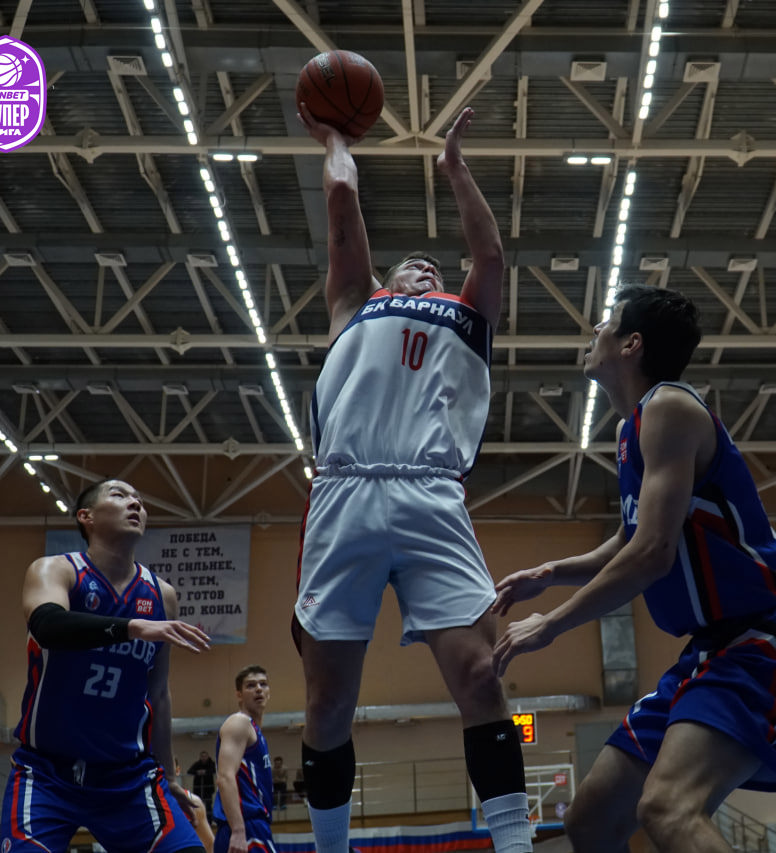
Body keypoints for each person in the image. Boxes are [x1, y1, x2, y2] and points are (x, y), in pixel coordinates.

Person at [492, 285, 776, 853]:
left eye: (606, 322)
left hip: (761, 643)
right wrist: (549, 572)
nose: (594, 331)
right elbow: (631, 537)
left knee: (667, 808)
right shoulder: (632, 429)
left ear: (632, 344)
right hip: (707, 652)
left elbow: (652, 555)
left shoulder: (670, 408)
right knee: (590, 820)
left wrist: (552, 624)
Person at [293, 102, 530, 853]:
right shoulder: (355, 305)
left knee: (482, 678)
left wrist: (454, 169)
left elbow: (490, 256)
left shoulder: (468, 316)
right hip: (346, 492)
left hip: (432, 494)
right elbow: (341, 202)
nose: (427, 267)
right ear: (385, 279)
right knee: (329, 704)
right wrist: (335, 140)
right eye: (411, 264)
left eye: (436, 267)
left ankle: (517, 845)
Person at [1, 479, 211, 852]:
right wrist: (131, 627)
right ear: (86, 517)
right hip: (47, 770)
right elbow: (47, 625)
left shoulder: (162, 595)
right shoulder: (55, 570)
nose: (136, 503)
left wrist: (170, 776)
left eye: (140, 500)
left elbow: (158, 693)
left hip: (128, 775)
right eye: (119, 495)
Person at [213, 666, 276, 853]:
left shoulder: (255, 731)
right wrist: (238, 830)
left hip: (252, 826)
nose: (258, 689)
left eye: (263, 684)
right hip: (246, 827)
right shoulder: (239, 723)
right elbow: (225, 777)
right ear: (239, 695)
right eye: (251, 685)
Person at [175, 757, 216, 853]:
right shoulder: (144, 804)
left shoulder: (193, 802)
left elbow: (209, 844)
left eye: (167, 765)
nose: (162, 769)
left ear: (177, 770)